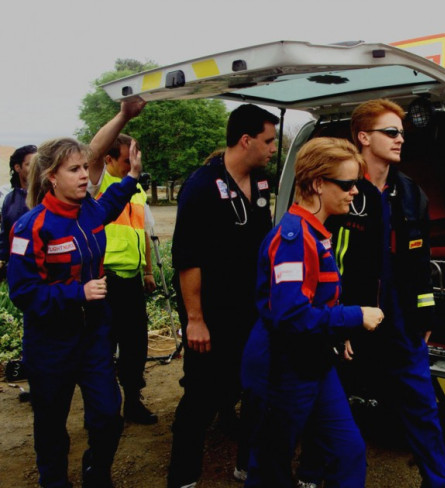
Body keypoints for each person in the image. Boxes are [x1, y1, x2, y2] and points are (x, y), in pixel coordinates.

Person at [325, 99, 445, 487]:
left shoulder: (411, 193)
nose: (400, 139)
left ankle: (438, 482)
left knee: (423, 410)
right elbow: (327, 263)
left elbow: (422, 263)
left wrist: (426, 315)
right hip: (351, 322)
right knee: (333, 413)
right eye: (391, 132)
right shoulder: (340, 192)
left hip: (402, 324)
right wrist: (338, 322)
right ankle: (319, 476)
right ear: (363, 137)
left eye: (402, 132)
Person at [242, 137, 383, 488]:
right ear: (318, 184)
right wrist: (354, 316)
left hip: (314, 362)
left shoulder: (317, 232)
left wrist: (336, 333)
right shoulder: (293, 239)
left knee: (348, 451)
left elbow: (317, 302)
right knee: (271, 468)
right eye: (347, 184)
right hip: (282, 369)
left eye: (357, 184)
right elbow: (290, 316)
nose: (354, 192)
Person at [7, 130, 144, 488]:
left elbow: (111, 203)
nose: (85, 175)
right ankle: (53, 481)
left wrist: (131, 178)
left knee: (107, 416)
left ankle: (96, 473)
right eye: (74, 169)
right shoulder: (30, 227)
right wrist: (77, 293)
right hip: (50, 344)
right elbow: (22, 292)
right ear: (52, 177)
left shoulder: (89, 211)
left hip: (94, 337)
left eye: (85, 167)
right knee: (51, 423)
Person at [167, 104, 278, 488]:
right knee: (201, 397)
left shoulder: (261, 182)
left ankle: (247, 464)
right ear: (246, 140)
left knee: (255, 390)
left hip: (253, 312)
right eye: (268, 141)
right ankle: (183, 477)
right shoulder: (201, 187)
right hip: (211, 316)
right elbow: (187, 259)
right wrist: (195, 320)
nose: (273, 148)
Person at [87, 133, 158, 425]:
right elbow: (92, 152)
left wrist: (148, 270)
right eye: (127, 160)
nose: (133, 166)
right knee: (103, 345)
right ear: (108, 159)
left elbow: (142, 233)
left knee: (135, 345)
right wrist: (124, 116)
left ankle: (132, 401)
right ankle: (103, 408)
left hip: (132, 280)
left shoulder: (137, 190)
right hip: (106, 279)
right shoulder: (99, 185)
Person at [0, 144, 36, 276]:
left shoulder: (48, 195)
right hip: (17, 271)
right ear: (17, 168)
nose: (35, 168)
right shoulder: (9, 199)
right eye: (29, 164)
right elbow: (4, 237)